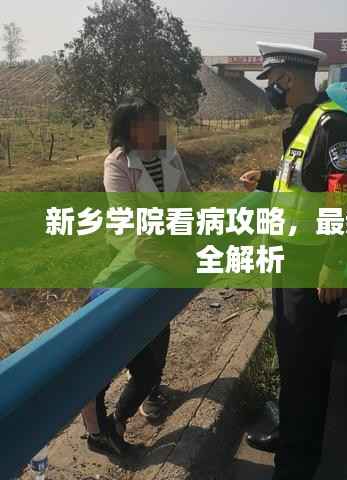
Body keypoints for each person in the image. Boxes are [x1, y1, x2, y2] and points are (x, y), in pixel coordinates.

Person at [240, 42, 347, 480]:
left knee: (306, 366)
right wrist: (265, 179)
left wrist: (337, 263)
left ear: (288, 78)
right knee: (292, 358)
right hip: (289, 260)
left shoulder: (334, 126)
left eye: (272, 81)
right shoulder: (305, 122)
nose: (270, 90)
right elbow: (303, 183)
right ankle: (291, 434)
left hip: (313, 267)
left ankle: (297, 463)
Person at [81, 97, 192, 458]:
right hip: (132, 259)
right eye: (146, 122)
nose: (155, 128)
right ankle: (98, 429)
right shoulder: (117, 162)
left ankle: (135, 402)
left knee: (156, 339)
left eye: (157, 120)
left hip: (166, 255)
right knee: (111, 344)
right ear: (129, 129)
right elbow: (129, 223)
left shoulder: (169, 155)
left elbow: (187, 200)